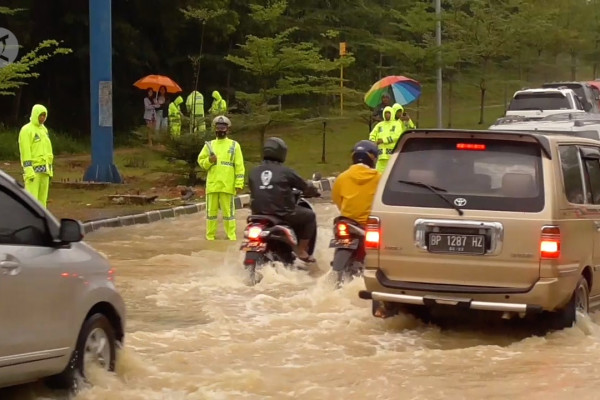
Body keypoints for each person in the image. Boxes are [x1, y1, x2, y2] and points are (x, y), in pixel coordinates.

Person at [248, 137, 318, 263]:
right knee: (310, 216)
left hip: (257, 215)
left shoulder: (253, 172)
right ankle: (301, 250)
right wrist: (314, 191)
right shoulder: (286, 172)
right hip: (282, 213)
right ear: (281, 153)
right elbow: (305, 186)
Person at [331, 140, 381, 262]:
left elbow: (337, 200)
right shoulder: (380, 178)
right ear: (373, 159)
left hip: (347, 222)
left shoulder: (342, 177)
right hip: (370, 226)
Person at [197, 116, 245, 240]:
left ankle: (231, 237)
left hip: (227, 185)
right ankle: (210, 237)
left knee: (229, 214)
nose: (221, 130)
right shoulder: (209, 145)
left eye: (223, 128)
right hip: (213, 185)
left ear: (228, 129)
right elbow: (201, 161)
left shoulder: (234, 145)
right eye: (218, 128)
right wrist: (209, 161)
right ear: (215, 129)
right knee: (211, 214)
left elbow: (239, 166)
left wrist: (239, 184)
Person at [18, 104, 53, 207]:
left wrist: (50, 169)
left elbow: (48, 150)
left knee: (42, 203)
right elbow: (25, 151)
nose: (42, 118)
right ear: (35, 114)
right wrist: (28, 170)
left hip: (45, 171)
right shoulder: (26, 130)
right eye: (40, 115)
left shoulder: (44, 130)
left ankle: (42, 222)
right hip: (33, 172)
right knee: (32, 203)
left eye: (44, 115)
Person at [368, 106, 399, 173]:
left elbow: (396, 136)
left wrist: (383, 140)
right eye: (386, 113)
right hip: (381, 155)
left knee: (391, 174)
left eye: (389, 113)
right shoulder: (380, 125)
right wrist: (373, 142)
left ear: (392, 113)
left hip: (391, 155)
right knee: (378, 175)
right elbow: (372, 134)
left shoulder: (397, 124)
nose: (387, 114)